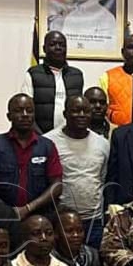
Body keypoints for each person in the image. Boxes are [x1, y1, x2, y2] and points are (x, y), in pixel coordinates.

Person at [45, 95, 110, 248]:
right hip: (61, 219)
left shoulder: (102, 144)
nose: (82, 115)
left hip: (93, 221)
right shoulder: (49, 142)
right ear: (65, 114)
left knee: (93, 265)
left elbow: (102, 179)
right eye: (76, 111)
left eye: (86, 111)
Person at [0, 93, 63, 214]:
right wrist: (7, 211)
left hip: (40, 215)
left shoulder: (47, 146)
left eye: (29, 111)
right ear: (9, 116)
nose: (25, 115)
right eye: (19, 111)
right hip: (1, 215)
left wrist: (28, 208)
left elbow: (57, 186)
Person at [20, 31, 85, 134]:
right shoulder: (33, 74)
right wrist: (41, 138)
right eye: (53, 44)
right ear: (44, 49)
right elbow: (26, 110)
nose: (58, 47)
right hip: (41, 137)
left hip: (70, 138)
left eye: (62, 45)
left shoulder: (76, 75)